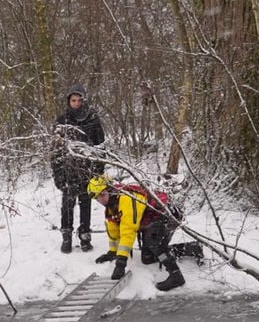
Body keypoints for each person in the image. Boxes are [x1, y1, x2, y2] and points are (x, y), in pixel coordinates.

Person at [87, 174, 200, 291]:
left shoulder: (126, 198)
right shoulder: (111, 205)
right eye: (97, 197)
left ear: (111, 190)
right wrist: (112, 253)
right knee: (148, 258)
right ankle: (191, 248)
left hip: (165, 214)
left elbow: (128, 231)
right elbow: (114, 232)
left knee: (154, 243)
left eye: (102, 195)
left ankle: (176, 275)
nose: (101, 200)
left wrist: (121, 263)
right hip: (151, 220)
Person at [51, 84, 105, 254]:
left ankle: (84, 236)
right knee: (67, 203)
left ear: (83, 100)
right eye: (73, 100)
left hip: (87, 168)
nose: (75, 103)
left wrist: (98, 169)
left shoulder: (93, 119)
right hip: (68, 168)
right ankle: (66, 236)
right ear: (69, 101)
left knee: (85, 202)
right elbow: (55, 149)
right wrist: (57, 173)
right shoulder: (62, 121)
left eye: (78, 100)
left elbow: (100, 145)